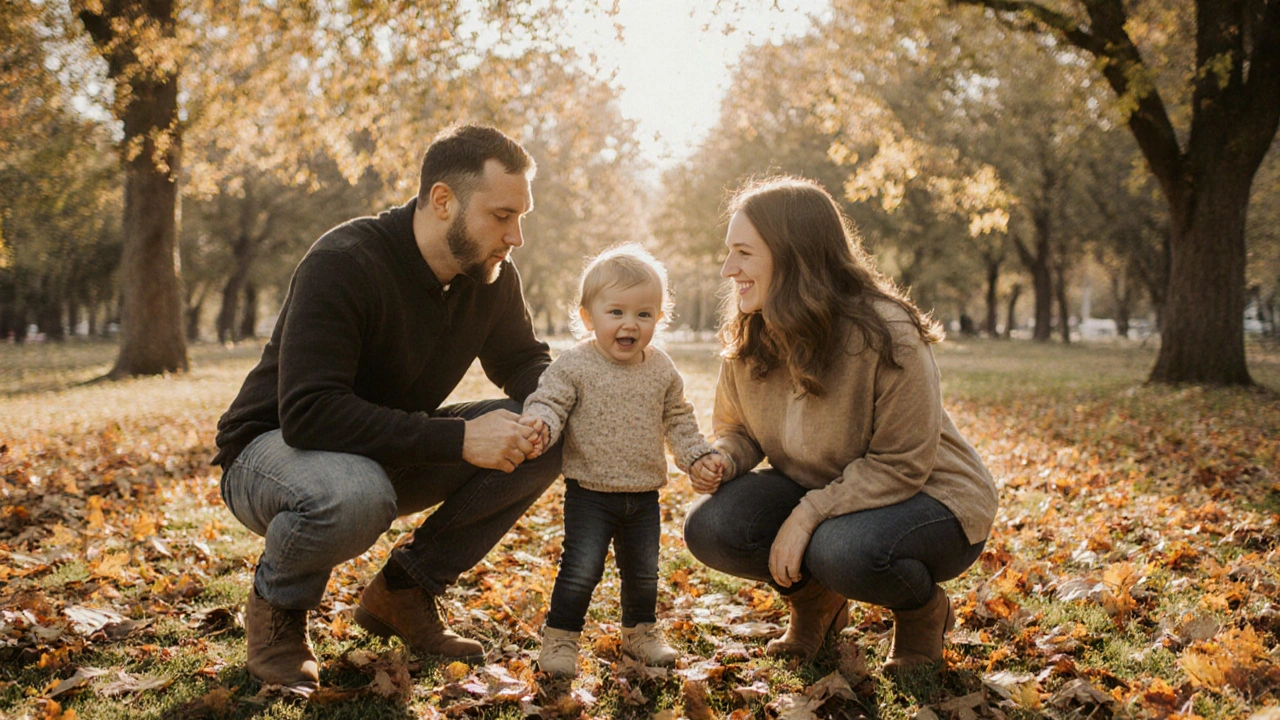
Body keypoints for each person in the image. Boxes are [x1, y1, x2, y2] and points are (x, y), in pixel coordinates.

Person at [212, 125, 563, 692]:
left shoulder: (489, 276)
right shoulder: (345, 262)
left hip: (383, 450)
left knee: (548, 431)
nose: (515, 236)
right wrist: (459, 439)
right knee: (355, 493)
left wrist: (558, 400)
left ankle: (405, 590)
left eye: (521, 217)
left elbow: (523, 360)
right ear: (443, 200)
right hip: (271, 452)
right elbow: (309, 413)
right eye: (502, 215)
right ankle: (279, 612)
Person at [682, 176, 998, 674]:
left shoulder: (885, 331)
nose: (728, 269)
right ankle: (817, 604)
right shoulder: (751, 330)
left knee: (841, 549)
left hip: (932, 498)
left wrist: (808, 515)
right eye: (729, 253)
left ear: (792, 255)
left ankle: (922, 614)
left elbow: (901, 464)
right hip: (827, 489)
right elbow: (739, 429)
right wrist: (724, 456)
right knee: (712, 526)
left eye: (743, 253)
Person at [519, 244, 723, 678]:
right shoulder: (575, 364)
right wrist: (540, 424)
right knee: (580, 570)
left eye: (644, 314)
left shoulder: (662, 369)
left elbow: (679, 420)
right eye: (616, 312)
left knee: (643, 574)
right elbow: (550, 402)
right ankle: (561, 639)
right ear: (589, 317)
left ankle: (641, 633)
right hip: (590, 493)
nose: (630, 324)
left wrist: (696, 457)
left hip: (643, 495)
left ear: (658, 318)